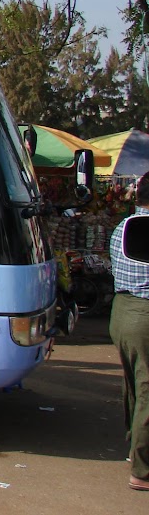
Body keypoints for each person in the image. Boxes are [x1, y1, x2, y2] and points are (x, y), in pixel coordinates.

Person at [108, 171, 149, 492]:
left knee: (133, 385)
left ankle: (131, 447)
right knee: (147, 390)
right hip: (144, 314)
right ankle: (142, 469)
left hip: (121, 311)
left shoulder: (123, 227)